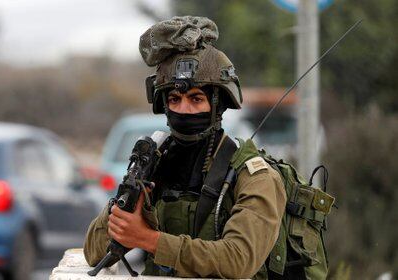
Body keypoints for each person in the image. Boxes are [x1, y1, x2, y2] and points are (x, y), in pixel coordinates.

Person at [84, 16, 287, 279]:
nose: (184, 109)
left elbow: (238, 260)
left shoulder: (254, 176)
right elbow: (93, 251)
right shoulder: (157, 165)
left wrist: (148, 239)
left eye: (196, 98)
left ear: (218, 104)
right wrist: (131, 193)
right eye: (174, 99)